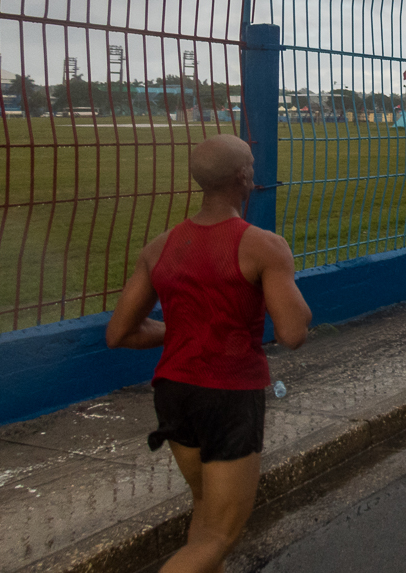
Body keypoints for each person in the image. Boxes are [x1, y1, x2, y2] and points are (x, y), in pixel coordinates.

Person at [106, 134, 312, 573]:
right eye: (252, 166)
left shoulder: (160, 247)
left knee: (205, 512)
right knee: (221, 535)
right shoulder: (263, 246)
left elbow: (120, 332)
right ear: (244, 177)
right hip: (230, 394)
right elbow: (292, 332)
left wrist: (183, 330)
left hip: (173, 391)